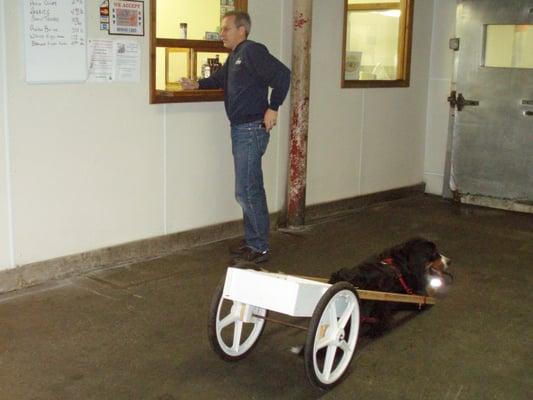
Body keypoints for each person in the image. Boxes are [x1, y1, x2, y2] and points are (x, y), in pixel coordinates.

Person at [181, 11, 291, 264]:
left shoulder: (251, 51)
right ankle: (253, 239)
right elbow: (218, 80)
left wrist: (273, 107)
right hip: (241, 129)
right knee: (246, 188)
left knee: (248, 190)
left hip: (252, 129)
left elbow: (283, 75)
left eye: (225, 29)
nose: (222, 34)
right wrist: (196, 84)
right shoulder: (235, 57)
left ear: (241, 30)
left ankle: (259, 246)